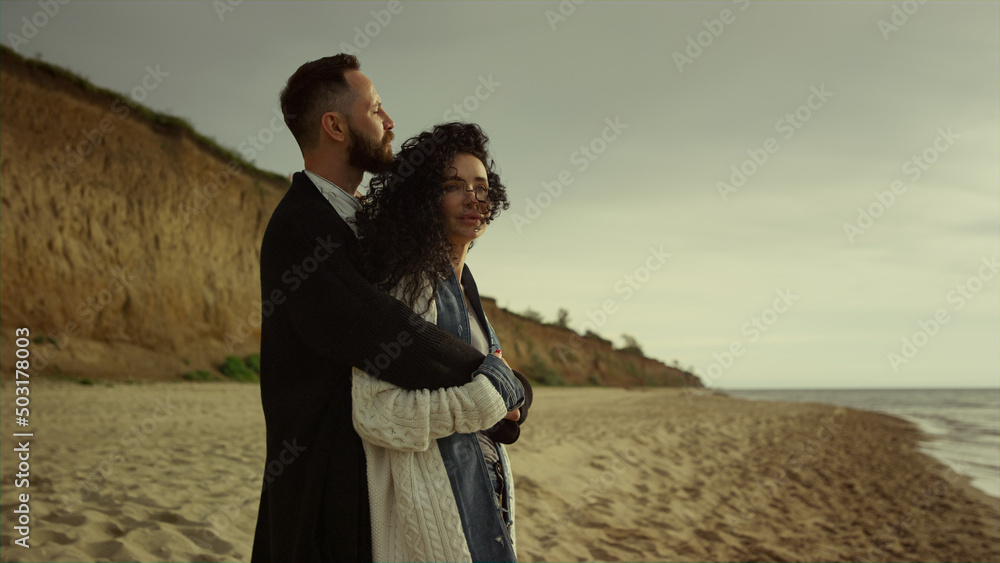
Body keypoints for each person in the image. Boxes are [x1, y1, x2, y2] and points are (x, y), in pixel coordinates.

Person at [251, 56, 525, 562]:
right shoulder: (299, 228)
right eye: (375, 109)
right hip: (321, 485)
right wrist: (497, 380)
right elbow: (381, 330)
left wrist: (501, 396)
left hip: (367, 480)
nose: (390, 121)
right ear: (334, 126)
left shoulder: (363, 226)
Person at [352, 122, 531, 562]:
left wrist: (507, 399)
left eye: (482, 186)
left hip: (481, 500)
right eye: (453, 186)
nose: (474, 198)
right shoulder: (412, 286)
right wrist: (492, 397)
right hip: (435, 515)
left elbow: (492, 392)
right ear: (424, 201)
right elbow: (377, 414)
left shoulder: (466, 287)